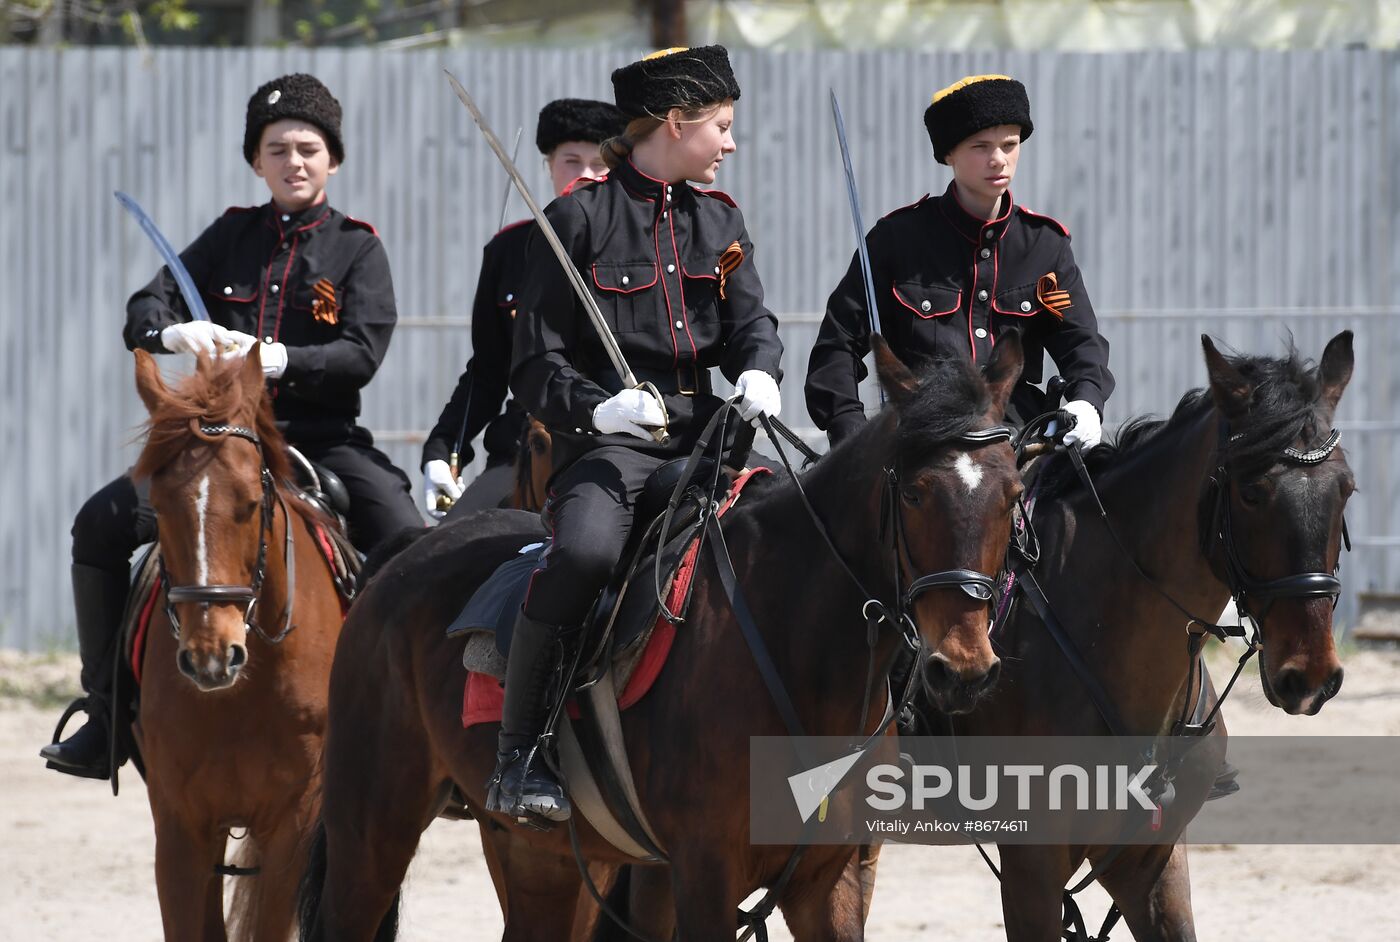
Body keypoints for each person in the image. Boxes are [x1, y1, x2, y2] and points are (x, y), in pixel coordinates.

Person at [40, 73, 422, 780]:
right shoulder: (228, 235)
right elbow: (143, 307)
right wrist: (174, 334)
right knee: (97, 524)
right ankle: (106, 710)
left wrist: (277, 358)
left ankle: (409, 721)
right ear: (257, 162)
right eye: (277, 149)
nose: (293, 162)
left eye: (308, 148)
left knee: (407, 536)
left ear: (332, 159)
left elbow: (361, 353)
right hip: (216, 441)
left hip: (318, 434)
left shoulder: (357, 250)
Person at [487, 46, 784, 823]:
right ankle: (521, 755)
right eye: (719, 127)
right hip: (609, 448)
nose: (727, 143)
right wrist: (598, 409)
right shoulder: (575, 220)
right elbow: (534, 363)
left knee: (799, 530)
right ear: (676, 123)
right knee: (583, 552)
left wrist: (759, 370)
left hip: (707, 440)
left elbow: (752, 323)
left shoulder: (720, 219)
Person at [805, 74, 1113, 448]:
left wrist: (1086, 401)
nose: (998, 159)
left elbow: (1081, 343)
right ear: (949, 154)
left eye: (1009, 144)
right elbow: (836, 347)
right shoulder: (896, 240)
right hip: (924, 441)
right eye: (980, 146)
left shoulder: (1046, 245)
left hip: (1020, 438)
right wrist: (852, 432)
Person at [422, 98, 627, 518]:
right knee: (444, 550)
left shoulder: (644, 246)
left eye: (600, 163)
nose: (586, 174)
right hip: (524, 443)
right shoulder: (508, 251)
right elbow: (488, 371)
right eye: (571, 160)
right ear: (549, 165)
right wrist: (444, 447)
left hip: (618, 442)